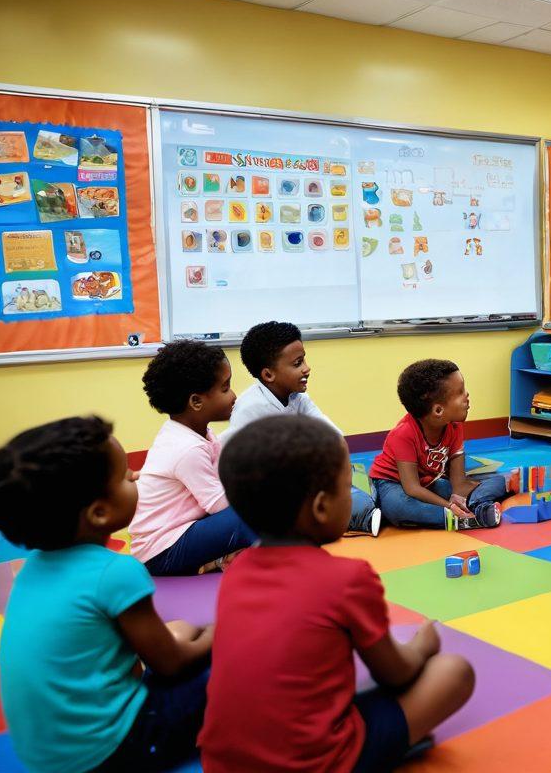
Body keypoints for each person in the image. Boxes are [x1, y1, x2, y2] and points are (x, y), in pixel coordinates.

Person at [200, 416, 474, 771]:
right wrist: (423, 645)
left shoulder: (236, 573)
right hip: (317, 762)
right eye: (348, 488)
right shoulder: (348, 578)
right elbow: (395, 674)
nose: (352, 497)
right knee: (454, 672)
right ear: (320, 507)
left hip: (223, 762)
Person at [0, 417, 213, 772]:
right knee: (235, 657)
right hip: (115, 750)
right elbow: (170, 663)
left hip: (49, 758)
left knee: (182, 628)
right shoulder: (115, 572)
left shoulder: (31, 569)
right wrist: (220, 631)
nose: (135, 476)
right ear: (100, 513)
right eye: (124, 477)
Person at [224, 320, 380, 536]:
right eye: (297, 363)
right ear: (268, 375)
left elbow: (334, 437)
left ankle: (361, 505)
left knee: (358, 485)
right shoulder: (251, 409)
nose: (307, 368)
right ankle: (362, 513)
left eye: (304, 359)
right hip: (265, 489)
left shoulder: (297, 397)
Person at [132, 339, 256, 576]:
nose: (234, 396)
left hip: (181, 533)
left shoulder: (197, 434)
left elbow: (221, 479)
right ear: (196, 401)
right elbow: (217, 504)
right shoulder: (187, 448)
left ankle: (216, 560)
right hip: (160, 552)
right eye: (225, 388)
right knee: (252, 514)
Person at [365, 359, 506, 530]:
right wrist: (449, 506)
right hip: (392, 483)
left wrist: (460, 497)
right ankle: (459, 518)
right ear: (438, 410)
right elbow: (412, 488)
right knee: (398, 507)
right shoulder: (403, 434)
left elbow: (459, 484)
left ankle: (478, 507)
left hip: (428, 482)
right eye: (460, 392)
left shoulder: (454, 426)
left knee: (499, 481)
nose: (467, 395)